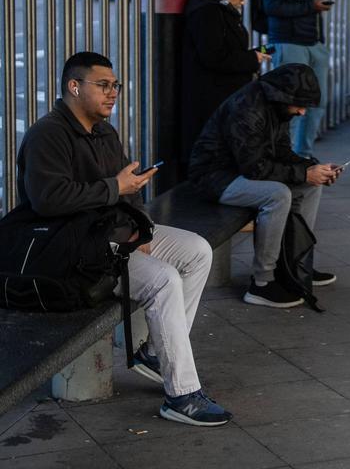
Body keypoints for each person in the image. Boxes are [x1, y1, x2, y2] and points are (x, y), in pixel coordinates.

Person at [16, 52, 231, 426]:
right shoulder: (47, 134)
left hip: (116, 233)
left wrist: (142, 226)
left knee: (196, 250)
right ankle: (181, 395)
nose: (113, 92)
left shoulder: (104, 131)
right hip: (76, 248)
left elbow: (128, 186)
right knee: (163, 279)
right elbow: (48, 200)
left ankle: (151, 351)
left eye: (115, 85)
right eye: (103, 85)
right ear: (74, 86)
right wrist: (114, 187)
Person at [189, 63, 343, 308]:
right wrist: (304, 172)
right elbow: (256, 168)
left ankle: (295, 265)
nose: (302, 112)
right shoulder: (247, 109)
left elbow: (281, 150)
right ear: (283, 96)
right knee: (278, 195)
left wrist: (314, 168)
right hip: (214, 177)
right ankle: (261, 283)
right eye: (300, 105)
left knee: (312, 186)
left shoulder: (276, 105)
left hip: (239, 172)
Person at [181, 0, 270, 167]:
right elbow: (215, 57)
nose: (243, 1)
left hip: (219, 91)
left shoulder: (213, 6)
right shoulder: (208, 11)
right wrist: (251, 58)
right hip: (213, 93)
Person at [260, 0, 331, 159]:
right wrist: (311, 6)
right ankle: (283, 154)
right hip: (289, 41)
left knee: (316, 102)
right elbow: (272, 7)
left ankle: (304, 153)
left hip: (313, 41)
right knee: (288, 103)